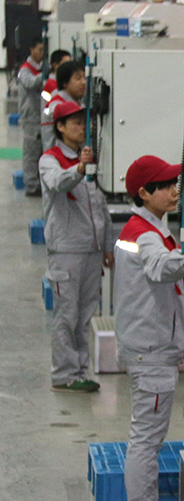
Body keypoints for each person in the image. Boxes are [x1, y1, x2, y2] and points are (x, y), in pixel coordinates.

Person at [114, 155, 184, 501]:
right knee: (146, 441)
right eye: (164, 185)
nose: (175, 190)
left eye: (175, 182)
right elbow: (161, 268)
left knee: (147, 438)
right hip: (151, 351)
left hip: (149, 346)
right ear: (144, 193)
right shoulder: (144, 234)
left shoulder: (149, 227)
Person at [39, 102, 114, 392]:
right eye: (75, 124)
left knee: (84, 315)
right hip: (67, 250)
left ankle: (80, 371)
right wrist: (80, 168)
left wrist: (106, 245)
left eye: (84, 123)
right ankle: (63, 374)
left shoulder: (89, 160)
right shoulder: (51, 160)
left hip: (91, 249)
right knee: (67, 315)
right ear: (60, 127)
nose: (82, 128)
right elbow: (59, 183)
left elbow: (100, 205)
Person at [18, 37, 44, 196]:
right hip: (30, 118)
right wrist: (45, 75)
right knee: (31, 153)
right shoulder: (25, 70)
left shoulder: (40, 69)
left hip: (41, 116)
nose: (42, 53)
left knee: (40, 152)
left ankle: (39, 182)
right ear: (31, 50)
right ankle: (32, 185)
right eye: (39, 49)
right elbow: (31, 83)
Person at [42, 60, 86, 152]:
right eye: (78, 78)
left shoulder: (78, 103)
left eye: (84, 78)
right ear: (65, 83)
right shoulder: (57, 106)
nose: (83, 82)